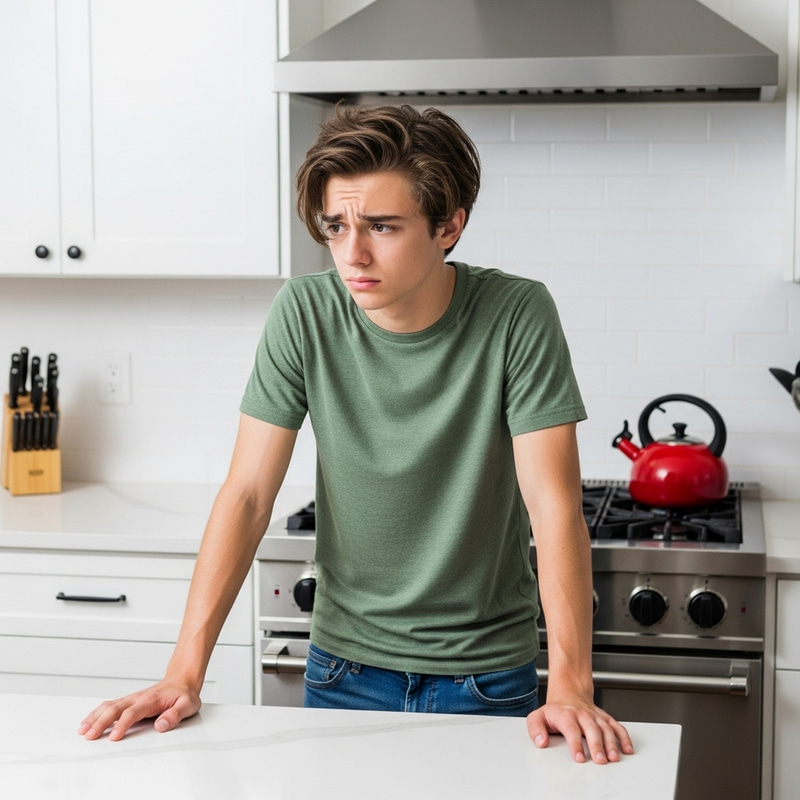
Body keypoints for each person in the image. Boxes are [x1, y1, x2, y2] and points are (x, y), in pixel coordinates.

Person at [79, 104, 632, 765]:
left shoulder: (516, 314)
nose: (352, 254)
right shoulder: (304, 313)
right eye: (335, 226)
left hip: (484, 677)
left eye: (381, 227)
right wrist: (183, 672)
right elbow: (248, 495)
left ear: (449, 225)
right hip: (342, 673)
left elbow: (552, 503)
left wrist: (571, 681)